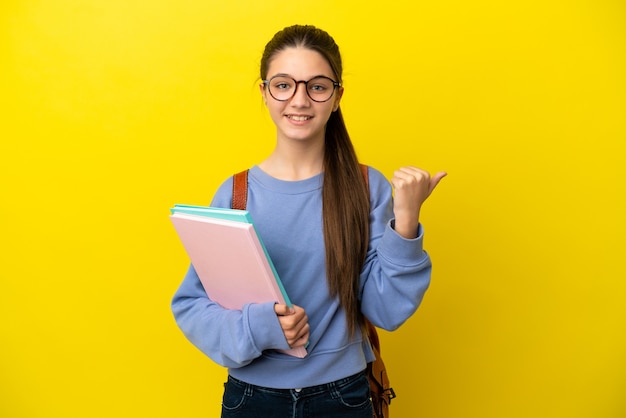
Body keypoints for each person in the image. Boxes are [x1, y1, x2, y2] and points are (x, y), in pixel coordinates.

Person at [171, 24, 446, 417]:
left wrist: (406, 223)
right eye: (284, 85)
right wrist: (260, 328)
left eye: (316, 86)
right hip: (251, 399)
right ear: (265, 93)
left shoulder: (367, 187)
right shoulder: (235, 194)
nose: (299, 100)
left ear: (336, 97)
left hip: (344, 398)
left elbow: (384, 312)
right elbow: (192, 305)